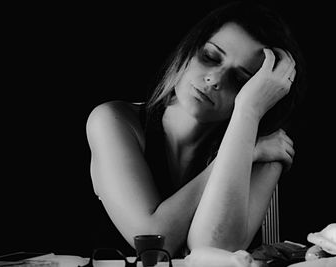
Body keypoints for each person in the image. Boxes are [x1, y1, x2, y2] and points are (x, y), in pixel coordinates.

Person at [85, 0, 307, 259]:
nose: (214, 80)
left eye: (240, 80)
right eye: (210, 56)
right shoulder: (113, 121)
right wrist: (245, 153)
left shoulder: (267, 146)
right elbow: (152, 244)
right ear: (188, 50)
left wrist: (247, 113)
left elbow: (212, 250)